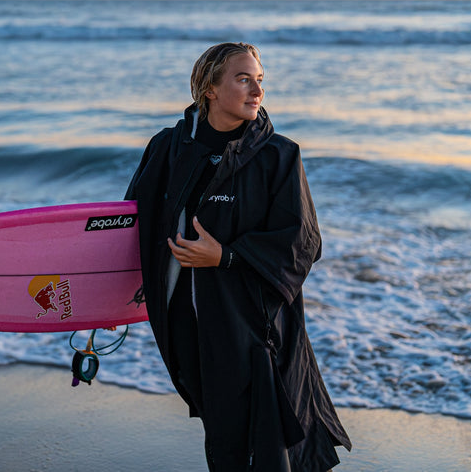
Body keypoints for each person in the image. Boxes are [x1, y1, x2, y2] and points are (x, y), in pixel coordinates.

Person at [125, 42, 351, 471]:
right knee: (223, 439)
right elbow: (133, 221)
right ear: (210, 88)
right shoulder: (168, 148)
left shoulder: (278, 155)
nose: (257, 91)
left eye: (260, 80)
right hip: (186, 323)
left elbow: (304, 243)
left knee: (266, 448)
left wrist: (225, 257)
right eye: (244, 79)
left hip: (253, 327)